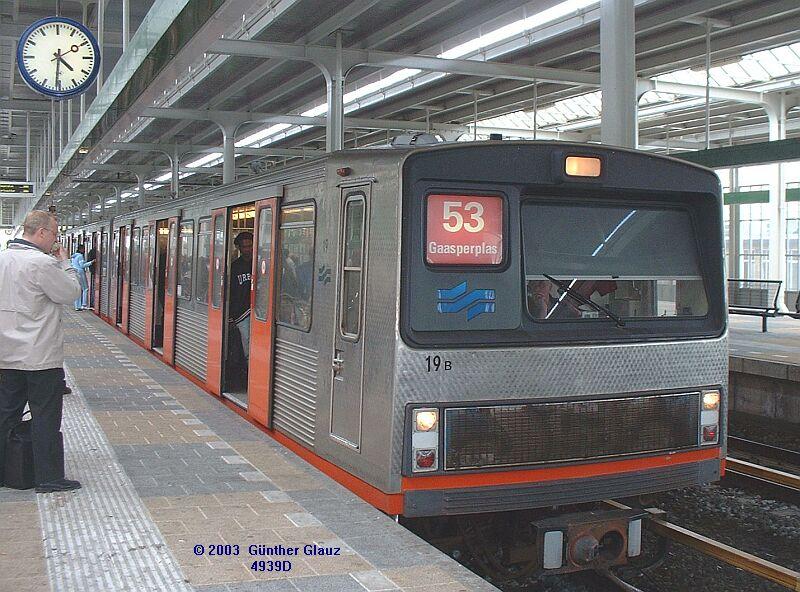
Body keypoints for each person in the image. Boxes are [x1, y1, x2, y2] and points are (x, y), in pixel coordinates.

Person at [0, 211, 82, 493]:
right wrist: (66, 263)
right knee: (45, 416)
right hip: (39, 357)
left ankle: (3, 472)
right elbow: (71, 293)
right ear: (42, 233)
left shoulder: (2, 259)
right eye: (55, 235)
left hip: (6, 354)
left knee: (6, 413)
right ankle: (48, 477)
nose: (55, 241)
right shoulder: (42, 263)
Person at [227, 232, 253, 387]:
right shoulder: (235, 268)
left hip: (258, 312)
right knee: (247, 348)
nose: (248, 249)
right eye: (245, 246)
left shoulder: (261, 264)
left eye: (250, 245)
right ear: (239, 248)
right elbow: (230, 293)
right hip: (241, 315)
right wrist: (230, 316)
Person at [70, 244, 94, 311]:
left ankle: (77, 306)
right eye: (83, 249)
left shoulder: (74, 256)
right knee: (85, 288)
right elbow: (82, 265)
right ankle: (84, 304)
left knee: (78, 289)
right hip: (80, 273)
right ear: (81, 249)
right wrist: (91, 262)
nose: (84, 250)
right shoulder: (80, 256)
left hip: (75, 272)